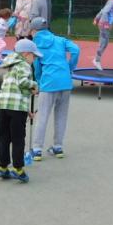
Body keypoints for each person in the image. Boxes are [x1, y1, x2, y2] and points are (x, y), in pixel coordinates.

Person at [30, 16, 80, 161]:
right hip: (65, 82)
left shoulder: (35, 45)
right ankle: (58, 147)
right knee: (61, 115)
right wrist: (70, 67)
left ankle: (37, 149)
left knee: (42, 116)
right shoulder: (60, 40)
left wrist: (39, 81)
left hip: (48, 83)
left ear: (34, 31)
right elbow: (76, 50)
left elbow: (37, 66)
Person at [0, 40, 41, 183]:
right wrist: (34, 85)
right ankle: (18, 168)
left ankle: (2, 167)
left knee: (4, 137)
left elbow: (16, 89)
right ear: (26, 54)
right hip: (17, 109)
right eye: (34, 56)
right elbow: (23, 83)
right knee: (18, 138)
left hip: (3, 106)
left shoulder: (10, 66)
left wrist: (27, 110)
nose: (34, 59)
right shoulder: (24, 65)